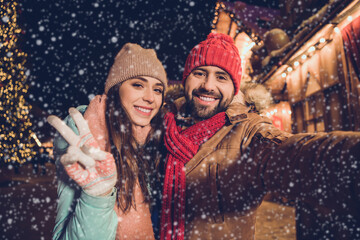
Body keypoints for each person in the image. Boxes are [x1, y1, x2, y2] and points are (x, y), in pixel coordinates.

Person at [158, 32, 360, 240]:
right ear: (186, 78)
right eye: (199, 73)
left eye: (221, 77)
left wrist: (352, 158)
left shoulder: (248, 132)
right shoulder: (162, 127)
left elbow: (295, 154)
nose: (208, 85)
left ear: (234, 87)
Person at [48, 43, 167, 240]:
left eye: (158, 89)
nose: (150, 98)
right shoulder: (84, 137)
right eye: (138, 84)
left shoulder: (156, 142)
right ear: (116, 89)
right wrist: (97, 197)